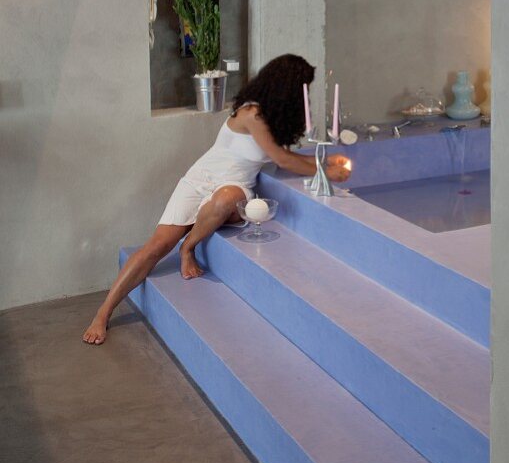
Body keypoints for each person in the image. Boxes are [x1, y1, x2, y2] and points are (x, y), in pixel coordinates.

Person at [83, 54, 350, 345]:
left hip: (235, 188)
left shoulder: (270, 119)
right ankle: (103, 313)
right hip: (200, 179)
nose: (305, 95)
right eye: (303, 87)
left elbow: (281, 155)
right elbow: (280, 158)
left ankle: (189, 246)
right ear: (287, 86)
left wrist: (323, 160)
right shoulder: (251, 113)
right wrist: (325, 168)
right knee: (155, 247)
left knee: (225, 198)